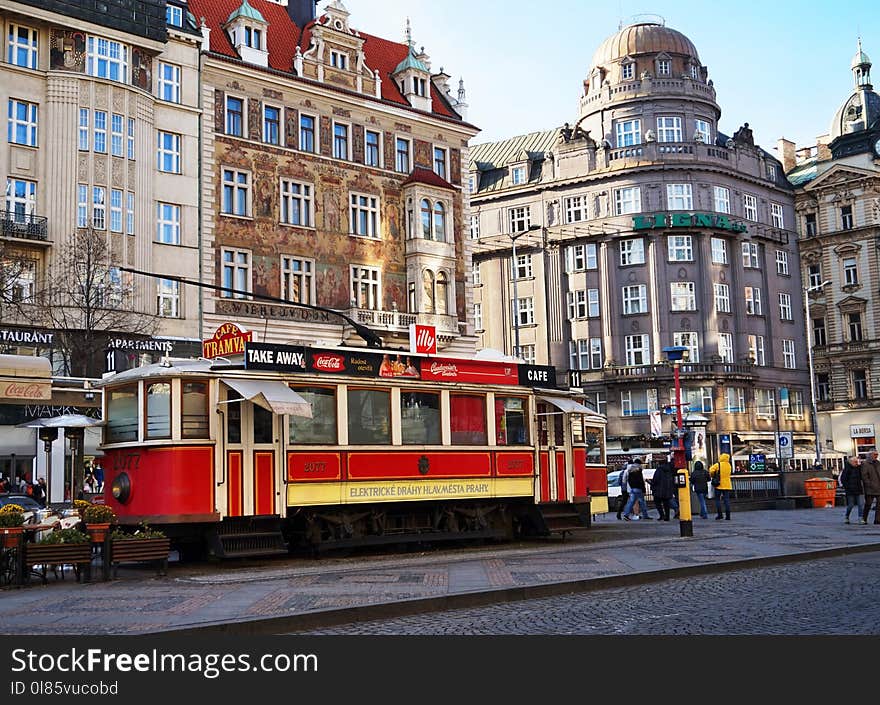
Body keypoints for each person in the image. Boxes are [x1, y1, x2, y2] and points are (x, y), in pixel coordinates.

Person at [621, 456, 653, 521]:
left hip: (632, 488)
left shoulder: (630, 471)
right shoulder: (638, 471)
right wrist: (644, 489)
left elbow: (627, 480)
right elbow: (640, 481)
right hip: (638, 488)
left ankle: (626, 515)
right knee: (642, 502)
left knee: (631, 502)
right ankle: (645, 515)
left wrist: (631, 486)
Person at [839, 456, 865, 524]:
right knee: (851, 505)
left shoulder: (859, 468)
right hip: (850, 490)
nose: (857, 463)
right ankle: (847, 516)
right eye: (855, 462)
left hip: (859, 489)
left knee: (861, 504)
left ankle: (860, 518)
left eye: (857, 462)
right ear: (851, 462)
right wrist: (847, 487)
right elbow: (843, 480)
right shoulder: (847, 469)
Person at [650, 455, 677, 521]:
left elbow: (655, 480)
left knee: (657, 503)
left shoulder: (659, 470)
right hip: (667, 490)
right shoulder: (670, 470)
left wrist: (652, 484)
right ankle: (667, 517)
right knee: (666, 504)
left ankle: (662, 515)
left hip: (658, 490)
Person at [709, 452, 733, 520]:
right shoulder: (729, 465)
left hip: (719, 485)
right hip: (727, 485)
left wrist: (713, 475)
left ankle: (720, 514)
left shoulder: (718, 464)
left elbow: (711, 470)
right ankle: (728, 516)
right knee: (726, 500)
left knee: (717, 500)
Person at [860, 451, 880, 525]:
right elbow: (864, 476)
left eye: (877, 454)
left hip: (878, 487)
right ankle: (864, 518)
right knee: (868, 504)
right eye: (875, 454)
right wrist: (869, 484)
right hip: (870, 488)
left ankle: (877, 520)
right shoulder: (865, 464)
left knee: (879, 505)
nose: (876, 456)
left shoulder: (878, 463)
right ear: (870, 455)